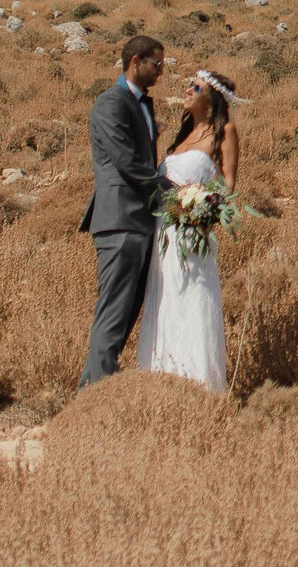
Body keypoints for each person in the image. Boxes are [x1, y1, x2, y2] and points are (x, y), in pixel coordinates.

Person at [132, 67, 242, 393]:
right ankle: (161, 383)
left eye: (196, 87)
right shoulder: (181, 139)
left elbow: (229, 186)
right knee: (164, 301)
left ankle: (198, 387)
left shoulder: (225, 132)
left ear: (212, 98)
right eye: (189, 85)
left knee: (191, 301)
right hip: (162, 234)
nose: (188, 90)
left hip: (193, 235)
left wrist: (203, 207)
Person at [78, 34, 174, 386]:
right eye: (157, 64)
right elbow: (127, 163)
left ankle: (91, 394)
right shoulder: (110, 103)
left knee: (125, 314)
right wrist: (175, 194)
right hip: (119, 221)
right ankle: (97, 396)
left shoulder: (142, 105)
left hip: (139, 222)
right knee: (113, 314)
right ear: (135, 61)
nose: (161, 72)